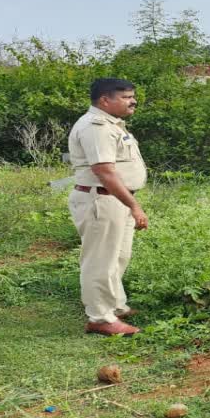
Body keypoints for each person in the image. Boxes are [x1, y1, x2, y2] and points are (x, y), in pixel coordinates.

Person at [67, 78, 150, 336]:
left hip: (116, 200)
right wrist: (135, 206)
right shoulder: (97, 127)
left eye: (132, 96)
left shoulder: (113, 125)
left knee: (118, 256)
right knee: (100, 260)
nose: (133, 101)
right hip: (101, 199)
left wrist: (128, 204)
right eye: (126, 97)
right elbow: (105, 172)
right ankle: (100, 318)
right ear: (105, 100)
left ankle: (114, 305)